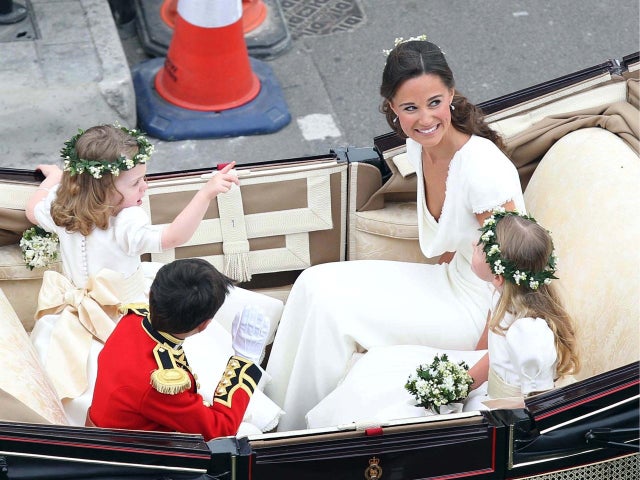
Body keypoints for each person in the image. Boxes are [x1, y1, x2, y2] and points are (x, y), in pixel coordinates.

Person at [265, 39, 526, 431]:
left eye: (435, 102)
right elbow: (451, 234)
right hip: (449, 280)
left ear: (452, 95)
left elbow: (515, 282)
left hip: (481, 311)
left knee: (334, 312)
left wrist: (479, 366)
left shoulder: (484, 171)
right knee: (313, 283)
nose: (425, 119)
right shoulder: (418, 147)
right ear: (392, 108)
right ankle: (271, 414)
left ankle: (295, 437)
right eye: (410, 108)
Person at [25, 124, 283, 428]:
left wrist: (53, 181)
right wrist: (206, 192)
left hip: (70, 318)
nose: (144, 187)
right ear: (105, 189)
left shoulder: (60, 208)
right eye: (136, 183)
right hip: (128, 312)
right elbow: (173, 237)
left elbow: (32, 210)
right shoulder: (126, 223)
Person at [304, 210, 580, 428]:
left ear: (497, 275)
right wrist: (461, 384)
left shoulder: (528, 332)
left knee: (399, 412)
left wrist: (475, 414)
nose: (473, 242)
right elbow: (495, 358)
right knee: (381, 371)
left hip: (502, 415)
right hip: (486, 390)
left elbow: (537, 404)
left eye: (480, 247)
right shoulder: (502, 296)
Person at [88, 258, 269, 440]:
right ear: (205, 325)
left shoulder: (133, 319)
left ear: (151, 295)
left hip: (114, 433)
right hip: (137, 462)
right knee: (250, 437)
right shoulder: (158, 384)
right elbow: (221, 430)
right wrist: (244, 359)